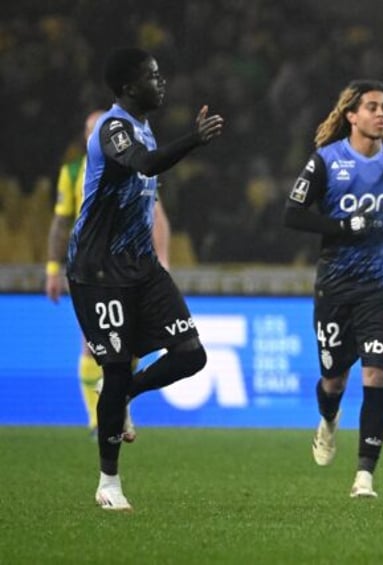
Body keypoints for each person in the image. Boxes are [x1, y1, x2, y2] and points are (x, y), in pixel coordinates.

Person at [67, 46, 223, 511]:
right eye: (153, 77)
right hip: (99, 271)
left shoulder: (144, 126)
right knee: (115, 367)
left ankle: (123, 393)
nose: (162, 83)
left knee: (191, 355)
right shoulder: (113, 128)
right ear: (129, 86)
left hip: (141, 267)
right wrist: (193, 140)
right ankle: (108, 483)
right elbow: (145, 165)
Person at [283, 79, 383, 498]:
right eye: (373, 108)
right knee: (334, 381)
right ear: (352, 116)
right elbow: (293, 215)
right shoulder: (325, 161)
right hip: (335, 288)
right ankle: (327, 420)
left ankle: (365, 474)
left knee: (376, 375)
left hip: (380, 289)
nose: (382, 114)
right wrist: (344, 226)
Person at [46, 110, 172, 438]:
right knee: (92, 343)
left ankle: (119, 405)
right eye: (92, 131)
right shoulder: (73, 172)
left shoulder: (131, 167)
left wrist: (163, 258)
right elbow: (61, 222)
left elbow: (156, 214)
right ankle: (97, 420)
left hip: (128, 265)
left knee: (128, 346)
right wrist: (52, 268)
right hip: (90, 265)